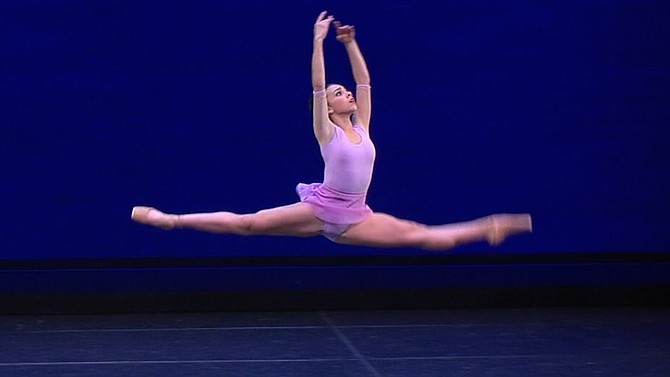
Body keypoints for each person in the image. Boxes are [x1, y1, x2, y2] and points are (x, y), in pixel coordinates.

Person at [131, 11, 532, 250]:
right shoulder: (328, 132)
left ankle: (487, 227)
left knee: (420, 235)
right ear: (328, 106)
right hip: (320, 208)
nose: (348, 96)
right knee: (248, 223)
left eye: (346, 93)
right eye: (340, 95)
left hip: (355, 216)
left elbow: (366, 84)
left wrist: (350, 44)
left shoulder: (364, 128)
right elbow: (318, 85)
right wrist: (319, 42)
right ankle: (171, 219)